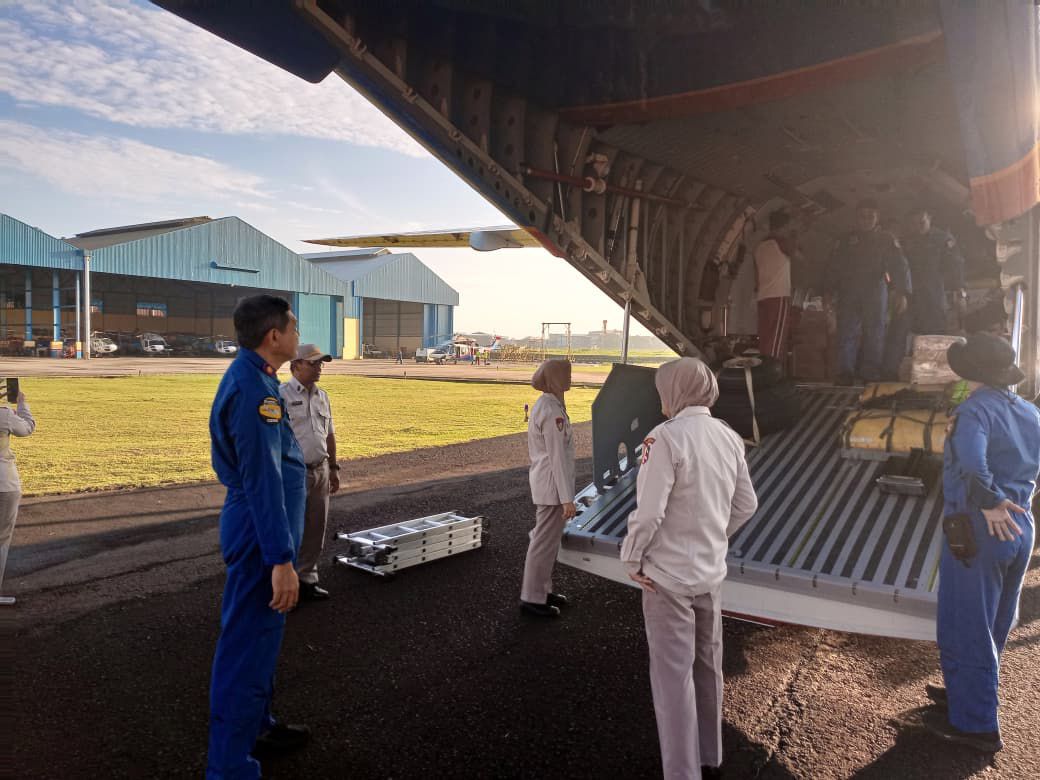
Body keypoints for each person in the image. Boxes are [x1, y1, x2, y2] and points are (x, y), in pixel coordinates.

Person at [622, 358, 758, 780]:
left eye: (663, 388)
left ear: (674, 392)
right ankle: (709, 756)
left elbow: (648, 515)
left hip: (668, 577)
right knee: (708, 667)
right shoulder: (729, 436)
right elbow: (746, 505)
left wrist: (632, 556)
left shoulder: (663, 439)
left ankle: (681, 772)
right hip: (710, 574)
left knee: (672, 678)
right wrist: (715, 536)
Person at [922, 333, 1040, 753]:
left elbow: (973, 463)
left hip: (981, 528)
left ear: (970, 374)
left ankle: (976, 726)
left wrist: (990, 502)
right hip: (1020, 525)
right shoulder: (1028, 410)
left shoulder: (974, 410)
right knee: (995, 621)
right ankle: (964, 696)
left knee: (966, 621)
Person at [207, 295, 309, 778]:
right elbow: (263, 480)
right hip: (259, 531)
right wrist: (281, 559)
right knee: (247, 645)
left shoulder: (257, 378)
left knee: (261, 641)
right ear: (274, 336)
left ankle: (258, 726)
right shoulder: (256, 392)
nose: (296, 336)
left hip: (261, 527)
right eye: (293, 328)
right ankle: (229, 765)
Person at [825, 199, 910, 384]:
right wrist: (828, 292)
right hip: (849, 290)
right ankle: (845, 372)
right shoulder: (846, 240)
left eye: (870, 216)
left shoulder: (886, 239)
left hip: (875, 289)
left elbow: (899, 266)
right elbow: (833, 267)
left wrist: (901, 292)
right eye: (862, 216)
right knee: (847, 331)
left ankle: (869, 373)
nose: (866, 220)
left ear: (877, 218)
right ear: (856, 218)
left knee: (875, 332)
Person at [279, 344, 340, 602]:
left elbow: (329, 434)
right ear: (296, 366)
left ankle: (307, 580)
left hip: (321, 470)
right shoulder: (279, 395)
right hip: (293, 473)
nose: (319, 368)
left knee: (316, 529)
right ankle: (285, 584)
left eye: (321, 363)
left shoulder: (322, 396)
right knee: (291, 531)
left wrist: (334, 468)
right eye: (313, 363)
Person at [883, 208, 967, 377]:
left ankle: (933, 375)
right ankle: (890, 373)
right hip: (909, 293)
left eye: (921, 222)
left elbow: (956, 265)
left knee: (934, 335)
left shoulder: (943, 239)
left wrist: (960, 291)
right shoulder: (906, 241)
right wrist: (895, 291)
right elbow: (896, 267)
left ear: (930, 218)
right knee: (898, 331)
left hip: (933, 292)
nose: (918, 227)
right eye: (914, 224)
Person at [520, 358, 575, 618]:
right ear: (554, 378)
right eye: (566, 374)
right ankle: (531, 598)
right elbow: (557, 457)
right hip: (552, 487)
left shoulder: (550, 404)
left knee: (547, 543)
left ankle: (541, 591)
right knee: (543, 543)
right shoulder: (551, 410)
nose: (570, 378)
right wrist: (567, 499)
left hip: (551, 485)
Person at [0, 389, 35, 606]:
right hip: (4, 483)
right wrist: (22, 405)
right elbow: (27, 427)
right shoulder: (3, 414)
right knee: (2, 538)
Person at [754, 209, 795, 362]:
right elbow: (799, 255)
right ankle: (772, 372)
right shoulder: (781, 242)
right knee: (777, 339)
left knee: (765, 337)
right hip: (778, 296)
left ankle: (763, 369)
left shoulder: (760, 246)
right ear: (784, 227)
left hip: (762, 297)